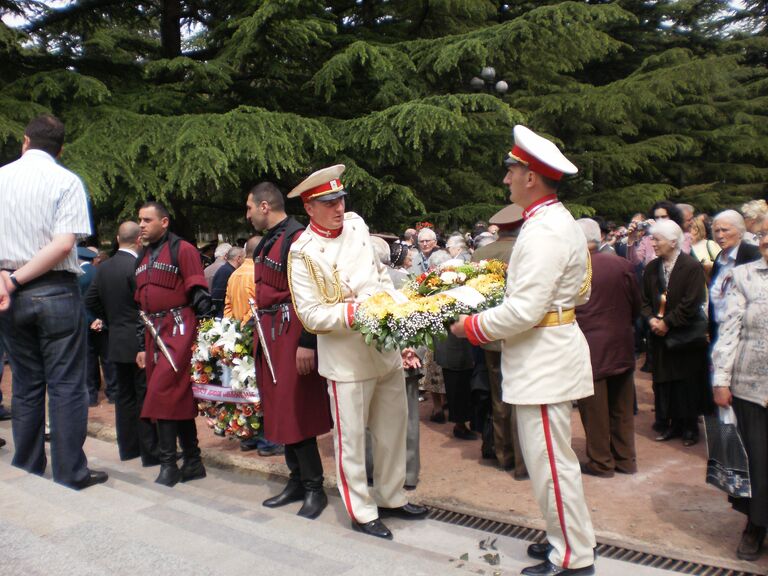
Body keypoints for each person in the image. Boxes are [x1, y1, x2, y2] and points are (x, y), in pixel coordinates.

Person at [451, 125, 596, 576]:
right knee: (548, 460)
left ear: (531, 176)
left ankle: (573, 557)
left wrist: (470, 325)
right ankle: (562, 538)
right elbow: (579, 293)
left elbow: (525, 310)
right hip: (547, 352)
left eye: (511, 170)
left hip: (544, 358)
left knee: (551, 464)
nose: (506, 179)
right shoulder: (554, 222)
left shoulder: (545, 230)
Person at [288, 165, 427, 540]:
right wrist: (359, 311)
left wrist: (399, 316)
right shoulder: (302, 251)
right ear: (310, 207)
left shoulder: (357, 225)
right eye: (328, 202)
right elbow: (312, 314)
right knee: (351, 439)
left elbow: (378, 275)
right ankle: (362, 510)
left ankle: (392, 495)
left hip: (384, 348)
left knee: (392, 430)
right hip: (347, 357)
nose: (338, 207)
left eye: (341, 199)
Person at [0, 114, 107, 489]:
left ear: (25, 141)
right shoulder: (66, 181)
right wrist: (13, 279)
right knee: (66, 385)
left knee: (26, 385)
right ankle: (70, 472)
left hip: (9, 295)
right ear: (59, 149)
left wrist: (6, 278)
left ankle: (26, 466)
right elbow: (64, 244)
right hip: (55, 290)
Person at [246, 182, 333, 519]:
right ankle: (297, 481)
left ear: (265, 206)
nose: (248, 214)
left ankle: (314, 488)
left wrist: (308, 341)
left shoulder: (298, 238)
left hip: (293, 332)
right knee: (280, 408)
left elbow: (314, 294)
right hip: (272, 332)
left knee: (297, 410)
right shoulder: (271, 241)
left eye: (250, 207)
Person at [134, 201, 212, 487]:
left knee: (161, 393)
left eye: (147, 220)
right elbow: (137, 305)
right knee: (175, 397)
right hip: (152, 333)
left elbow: (200, 293)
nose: (141, 225)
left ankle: (169, 463)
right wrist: (140, 345)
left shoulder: (184, 250)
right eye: (140, 220)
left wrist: (205, 337)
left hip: (179, 329)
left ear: (164, 222)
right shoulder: (142, 256)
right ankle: (192, 461)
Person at [711, 216, 768, 561]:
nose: (766, 242)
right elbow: (729, 331)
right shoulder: (744, 277)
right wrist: (721, 379)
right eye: (763, 235)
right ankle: (755, 526)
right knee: (757, 463)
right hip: (750, 387)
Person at [85, 221, 159, 465]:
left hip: (115, 338)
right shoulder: (138, 266)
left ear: (117, 238)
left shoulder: (103, 268)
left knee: (124, 397)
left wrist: (109, 319)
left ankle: (128, 448)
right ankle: (150, 452)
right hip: (138, 339)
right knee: (144, 396)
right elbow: (143, 304)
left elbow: (91, 300)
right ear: (139, 240)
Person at [575, 219, 640, 477]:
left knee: (594, 410)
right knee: (622, 407)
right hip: (621, 342)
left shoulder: (576, 269)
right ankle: (625, 459)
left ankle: (601, 461)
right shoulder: (622, 264)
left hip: (589, 347)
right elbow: (637, 305)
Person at [641, 219, 712, 446]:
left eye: (657, 239)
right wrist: (651, 319)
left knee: (686, 382)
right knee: (664, 383)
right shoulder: (652, 268)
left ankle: (689, 427)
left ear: (673, 242)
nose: (653, 243)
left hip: (684, 336)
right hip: (659, 336)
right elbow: (642, 300)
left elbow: (692, 302)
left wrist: (668, 323)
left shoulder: (691, 267)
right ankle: (669, 423)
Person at [471, 203, 527, 479]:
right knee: (525, 398)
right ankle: (523, 459)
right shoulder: (524, 251)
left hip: (490, 335)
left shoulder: (480, 254)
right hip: (523, 336)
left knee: (499, 398)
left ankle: (504, 454)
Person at [709, 210, 761, 346]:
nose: (720, 235)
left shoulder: (753, 256)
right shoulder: (719, 259)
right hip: (720, 333)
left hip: (746, 336)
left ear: (740, 231)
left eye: (725, 230)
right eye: (716, 231)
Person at [211, 245, 243, 317]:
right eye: (244, 257)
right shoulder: (226, 271)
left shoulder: (228, 270)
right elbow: (217, 297)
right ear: (239, 258)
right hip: (223, 315)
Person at [689, 215, 720, 282]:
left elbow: (722, 264)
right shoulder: (685, 247)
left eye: (689, 228)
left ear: (696, 230)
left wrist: (708, 265)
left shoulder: (709, 244)